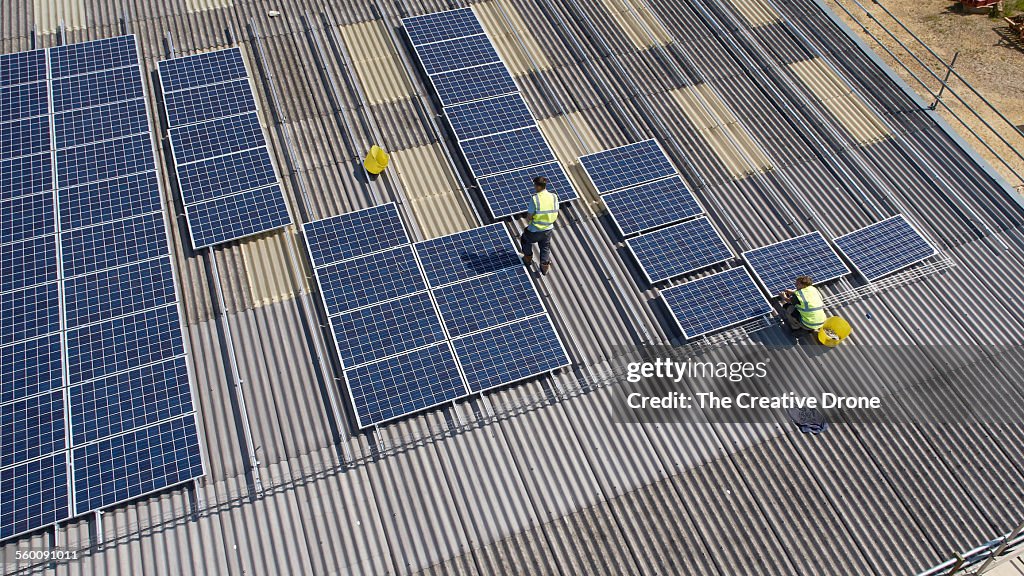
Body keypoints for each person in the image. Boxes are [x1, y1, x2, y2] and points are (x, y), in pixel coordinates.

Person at [521, 176, 559, 274]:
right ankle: (544, 266)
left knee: (525, 239)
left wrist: (532, 219)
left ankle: (528, 257)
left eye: (534, 185)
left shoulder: (535, 199)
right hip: (548, 229)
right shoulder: (554, 196)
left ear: (538, 186)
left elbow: (529, 216)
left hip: (535, 230)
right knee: (545, 246)